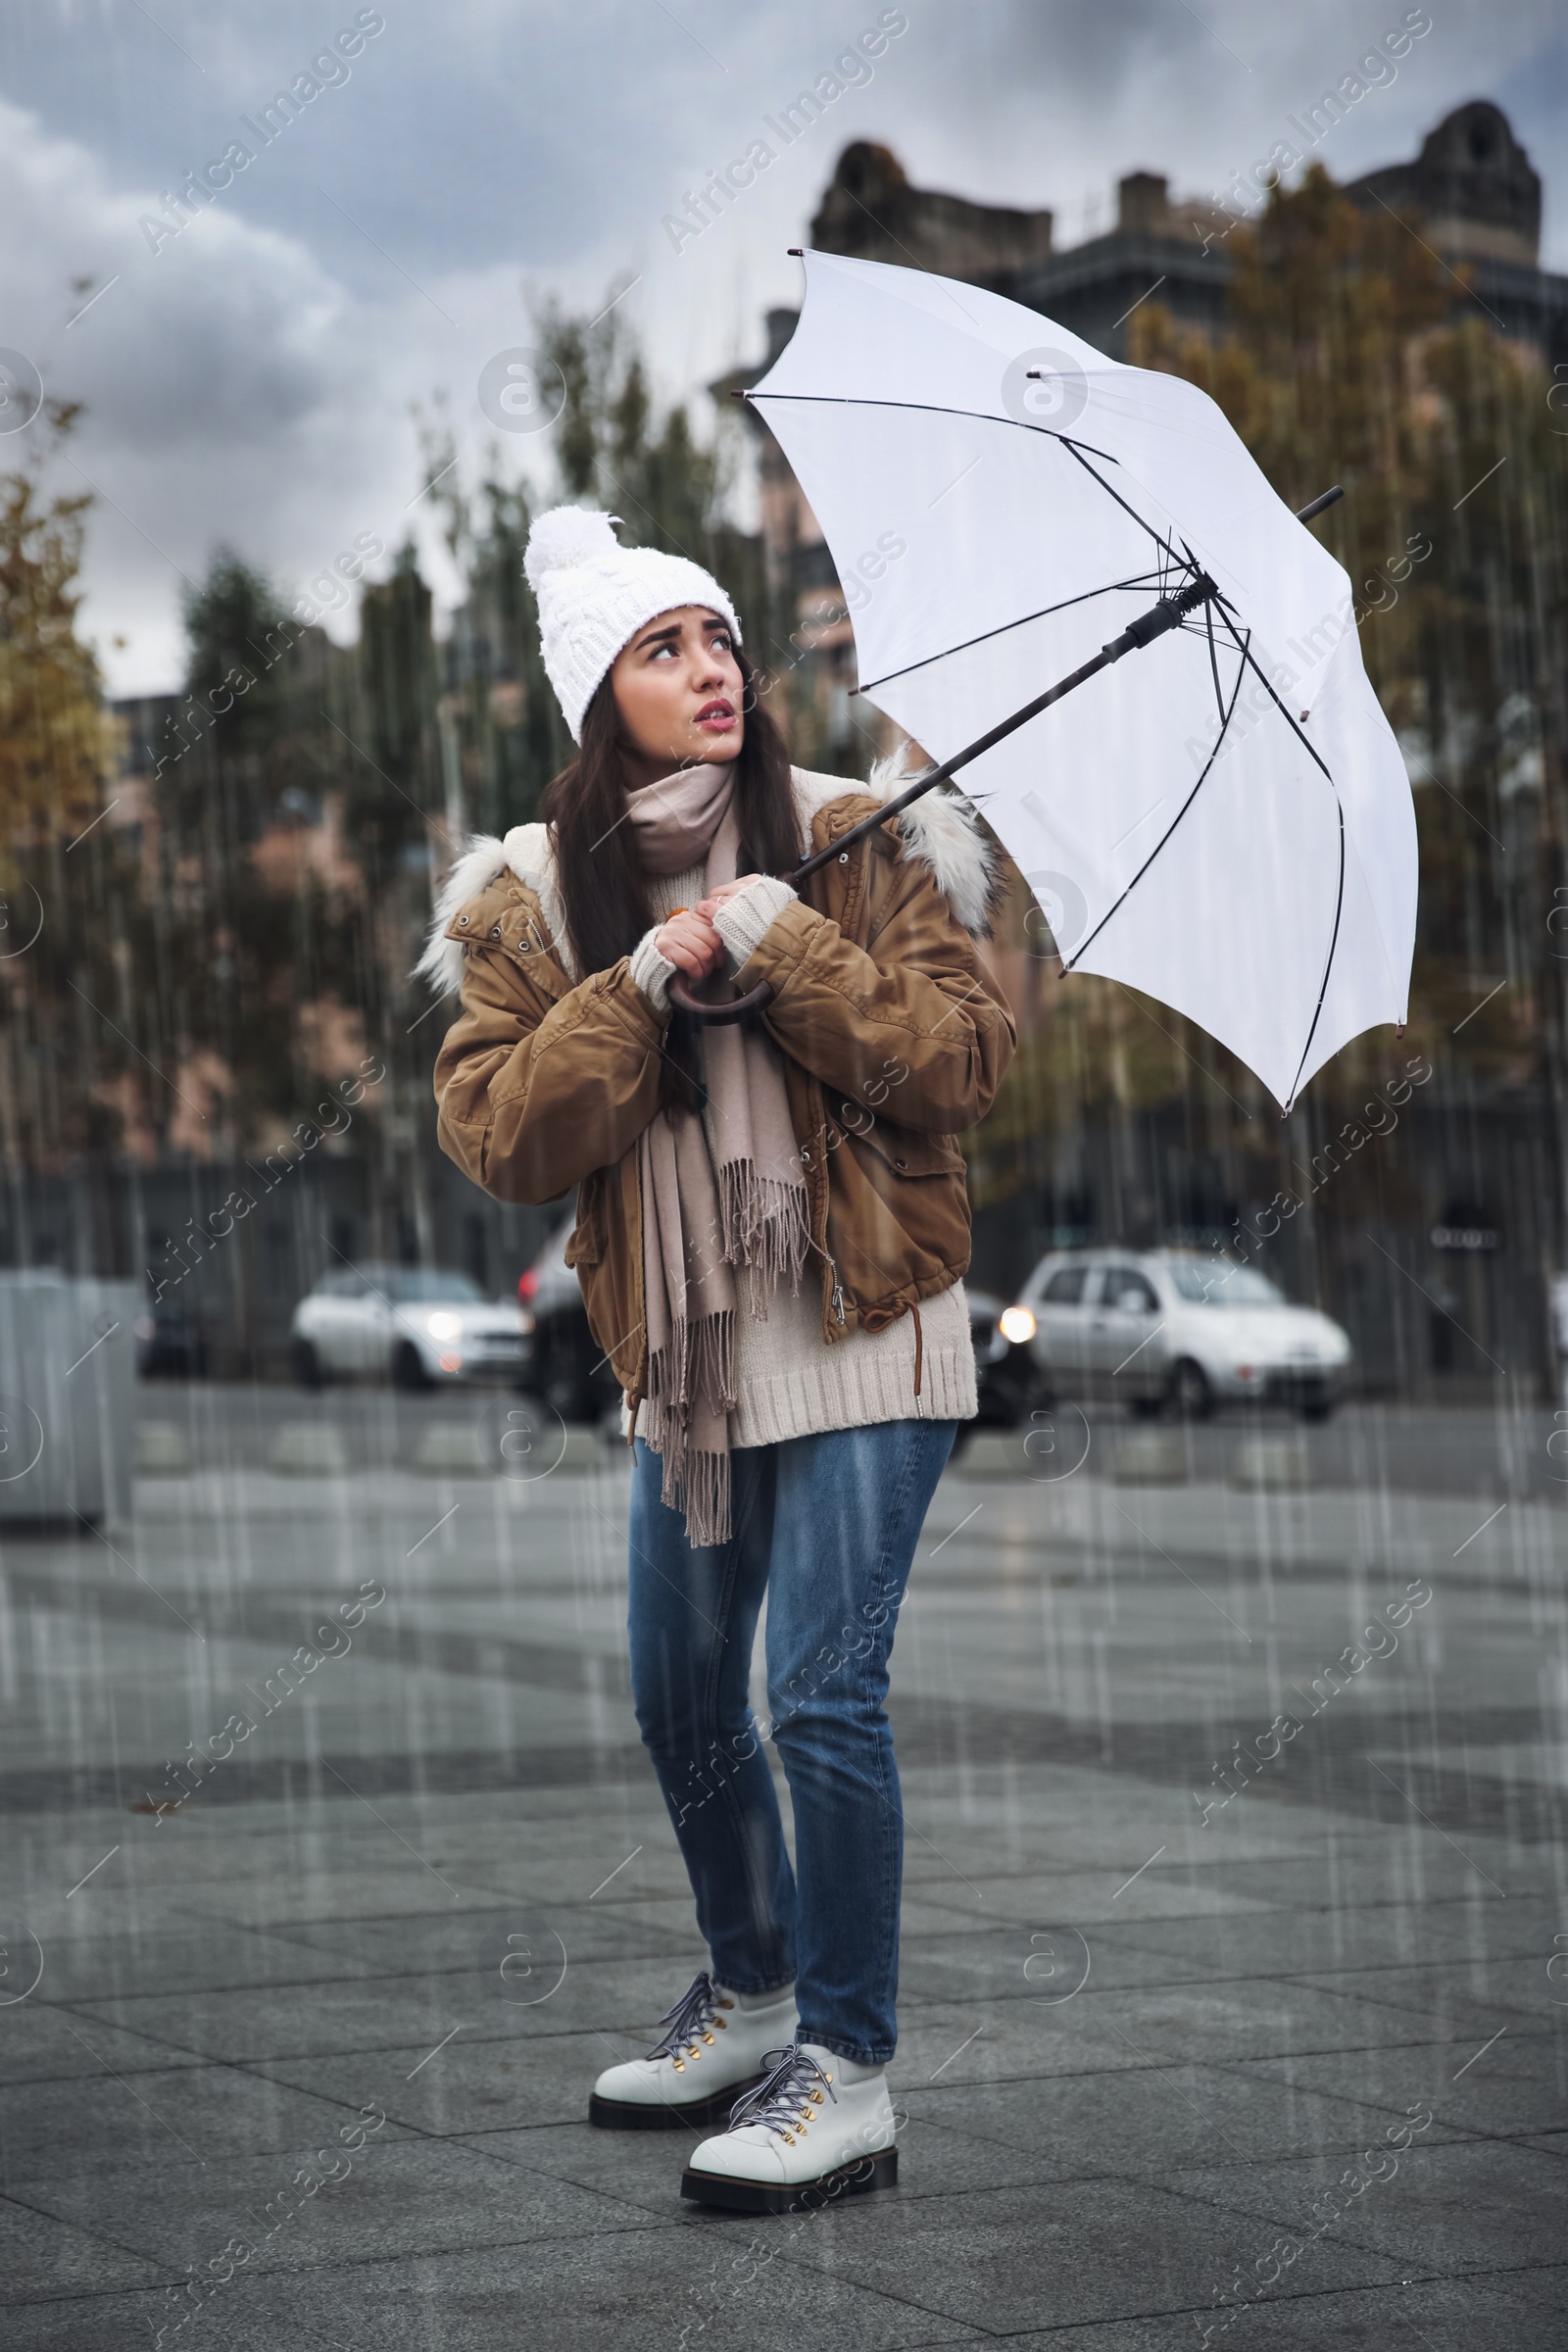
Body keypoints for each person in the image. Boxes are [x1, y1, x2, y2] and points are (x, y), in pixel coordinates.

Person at [421, 506, 1014, 2211]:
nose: (712, 672)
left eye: (721, 642)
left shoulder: (861, 832)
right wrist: (640, 990)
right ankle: (751, 1991)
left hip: (870, 1319)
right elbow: (507, 1135)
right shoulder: (532, 898)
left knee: (821, 1693)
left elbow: (964, 1063)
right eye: (663, 649)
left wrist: (792, 947)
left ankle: (850, 2069)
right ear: (598, 695)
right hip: (686, 1357)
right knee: (681, 1697)